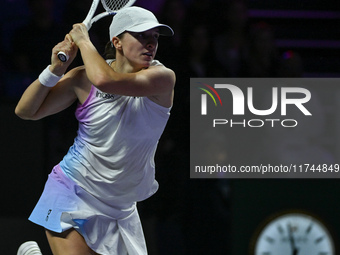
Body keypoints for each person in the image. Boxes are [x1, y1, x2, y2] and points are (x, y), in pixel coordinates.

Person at [15, 6, 175, 255]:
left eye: (155, 36)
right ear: (117, 42)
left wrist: (82, 40)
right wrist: (55, 70)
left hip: (121, 206)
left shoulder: (162, 78)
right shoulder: (82, 79)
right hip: (74, 188)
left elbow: (106, 80)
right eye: (142, 35)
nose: (151, 43)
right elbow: (26, 111)